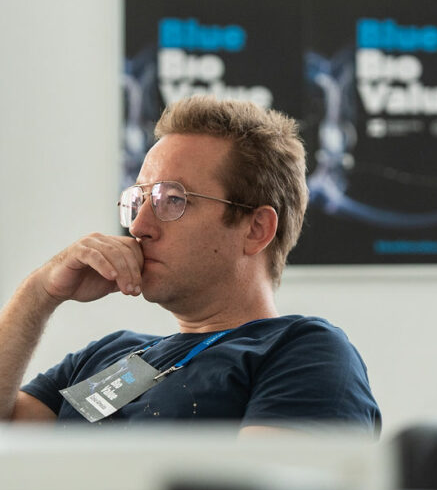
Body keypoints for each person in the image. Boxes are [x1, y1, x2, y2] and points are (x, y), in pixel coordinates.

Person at [0, 96, 381, 435]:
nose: (138, 226)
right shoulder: (110, 355)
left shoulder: (301, 352)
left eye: (173, 200)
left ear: (256, 229)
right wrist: (40, 292)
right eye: (139, 200)